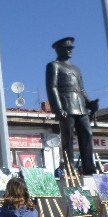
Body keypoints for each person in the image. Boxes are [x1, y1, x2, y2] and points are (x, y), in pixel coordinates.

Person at [45, 36, 99, 175]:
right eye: (67, 48)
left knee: (87, 135)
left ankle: (89, 167)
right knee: (67, 139)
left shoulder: (76, 68)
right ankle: (70, 167)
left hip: (81, 107)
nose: (70, 50)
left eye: (71, 48)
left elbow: (81, 89)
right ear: (59, 50)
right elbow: (52, 88)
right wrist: (57, 108)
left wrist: (89, 103)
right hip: (66, 106)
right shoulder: (54, 65)